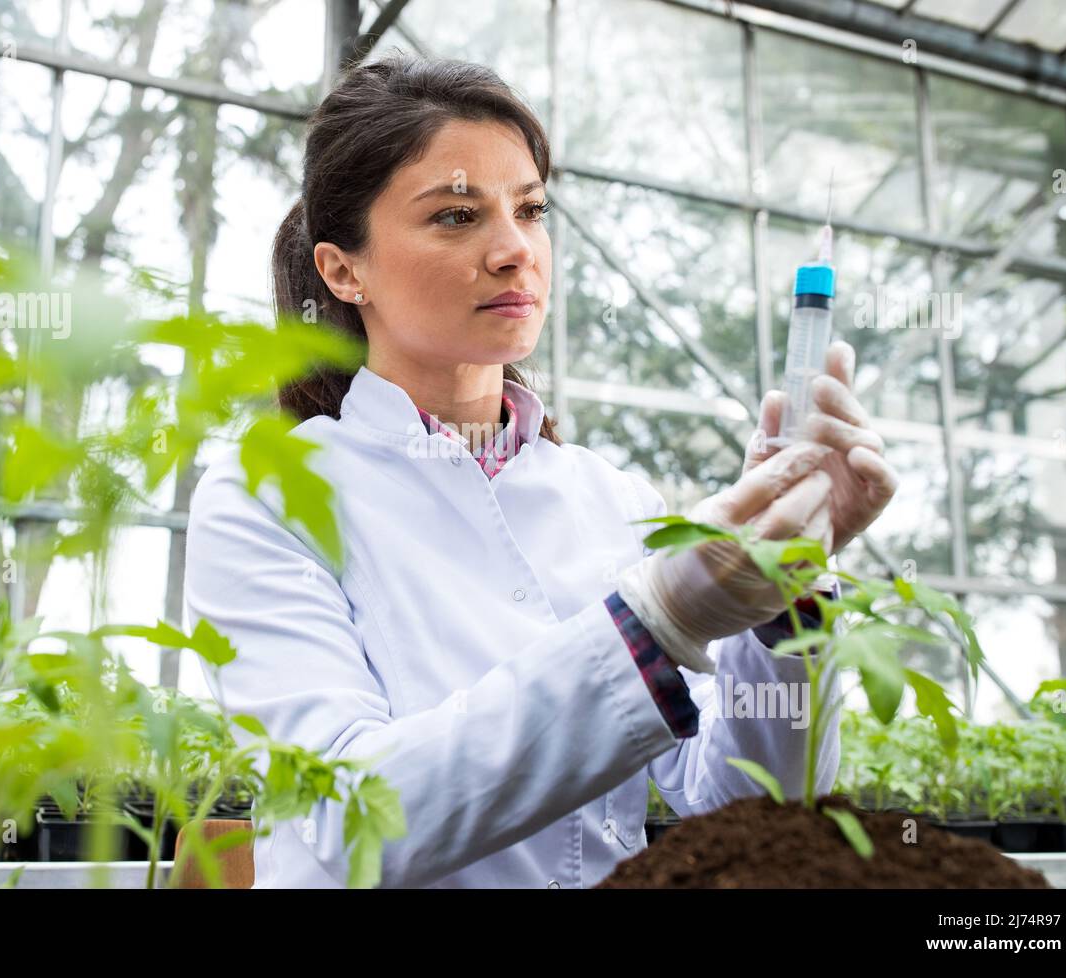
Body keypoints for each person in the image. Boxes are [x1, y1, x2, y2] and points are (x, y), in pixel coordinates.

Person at [184, 52, 897, 888]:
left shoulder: (609, 499)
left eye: (530, 209)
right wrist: (654, 622)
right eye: (457, 216)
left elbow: (748, 814)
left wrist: (789, 598)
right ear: (344, 270)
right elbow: (349, 817)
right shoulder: (268, 494)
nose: (515, 250)